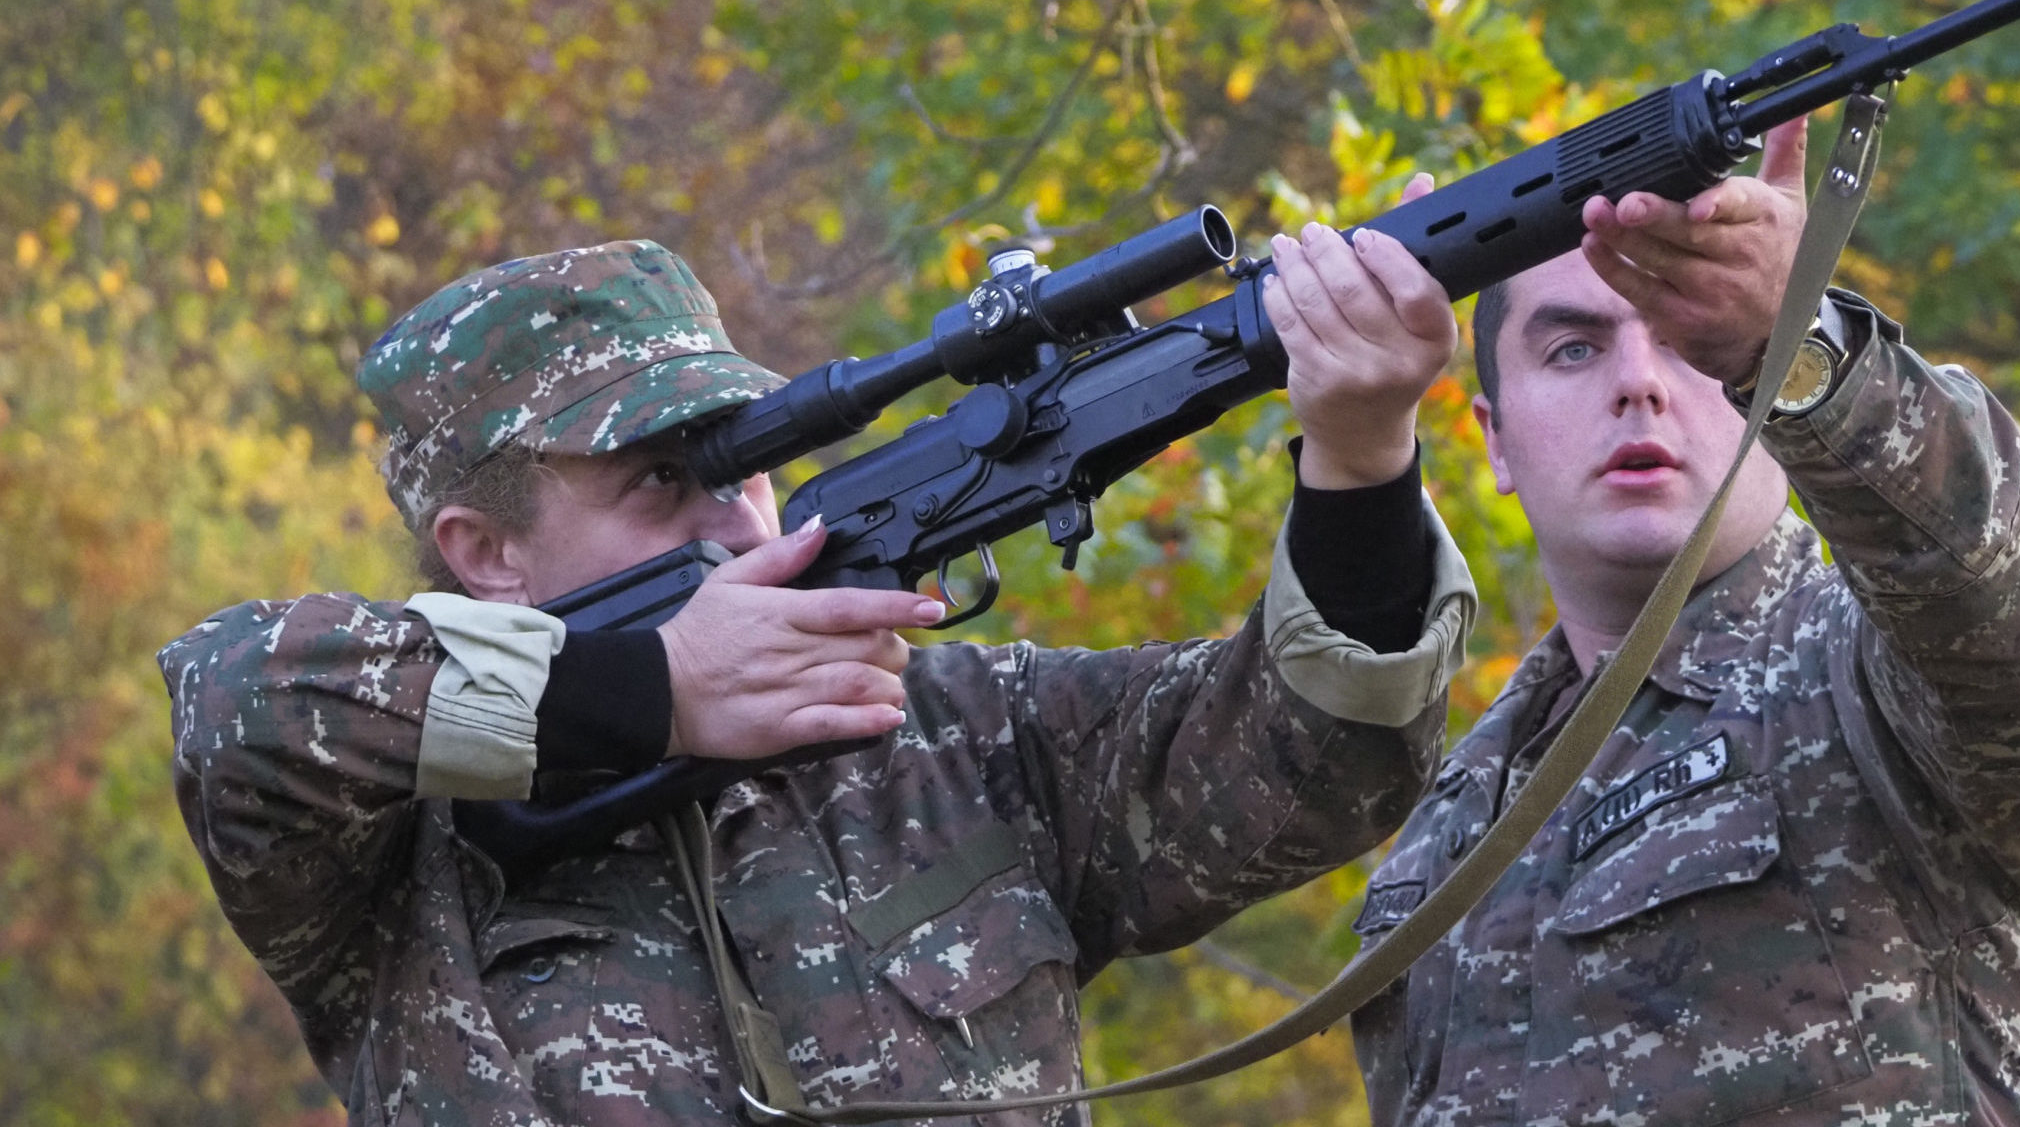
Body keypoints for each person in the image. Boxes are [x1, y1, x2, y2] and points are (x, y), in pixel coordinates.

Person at [160, 214, 1477, 1125]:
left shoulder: (949, 730)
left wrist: (1359, 459)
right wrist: (655, 688)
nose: (739, 522)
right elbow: (230, 703)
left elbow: (1320, 757)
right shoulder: (396, 851)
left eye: (747, 464)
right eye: (663, 481)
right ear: (485, 550)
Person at [1349, 116, 2020, 1127]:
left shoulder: (1869, 674)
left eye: (1684, 332)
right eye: (1573, 348)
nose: (1639, 381)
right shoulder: (1443, 840)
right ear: (1493, 439)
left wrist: (1793, 347)